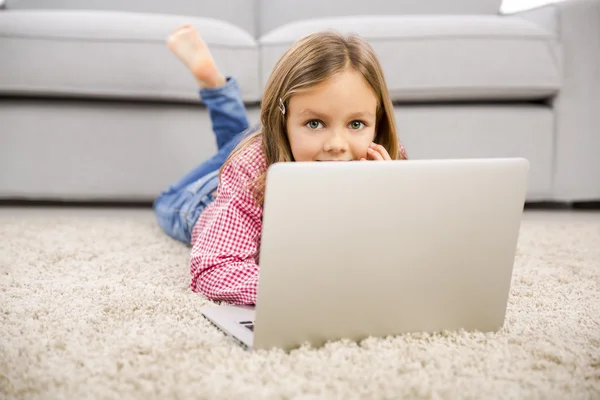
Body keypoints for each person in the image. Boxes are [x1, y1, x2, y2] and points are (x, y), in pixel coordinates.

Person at [153, 25, 408, 305]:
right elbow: (213, 268)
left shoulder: (385, 160)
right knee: (166, 202)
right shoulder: (249, 168)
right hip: (207, 198)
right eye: (315, 123)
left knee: (247, 142)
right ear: (283, 124)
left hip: (277, 148)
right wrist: (299, 289)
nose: (338, 144)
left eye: (356, 124)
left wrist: (387, 198)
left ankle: (231, 104)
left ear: (377, 121)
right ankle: (217, 90)